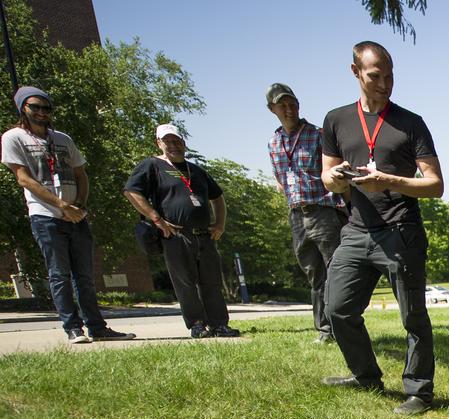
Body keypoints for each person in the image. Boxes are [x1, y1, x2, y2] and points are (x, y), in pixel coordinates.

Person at [320, 41, 444, 416]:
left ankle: (419, 393)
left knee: (413, 317)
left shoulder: (410, 123)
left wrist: (388, 180)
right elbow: (327, 176)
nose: (385, 83)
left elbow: (435, 185)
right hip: (356, 231)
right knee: (337, 308)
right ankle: (365, 376)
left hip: (400, 230)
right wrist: (338, 178)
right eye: (376, 75)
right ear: (355, 71)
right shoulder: (336, 120)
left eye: (390, 75)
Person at [1, 86, 134, 344]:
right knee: (59, 274)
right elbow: (24, 179)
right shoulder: (13, 137)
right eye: (34, 107)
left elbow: (81, 174)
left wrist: (80, 206)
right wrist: (62, 206)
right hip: (46, 216)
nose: (41, 112)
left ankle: (97, 328)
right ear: (22, 109)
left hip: (77, 216)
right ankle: (73, 328)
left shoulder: (63, 139)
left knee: (84, 275)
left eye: (45, 108)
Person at [123, 124, 239, 339]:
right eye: (168, 141)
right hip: (176, 236)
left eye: (177, 141)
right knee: (185, 283)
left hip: (204, 235)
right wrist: (156, 219)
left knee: (211, 282)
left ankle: (219, 325)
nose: (174, 145)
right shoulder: (152, 166)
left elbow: (217, 197)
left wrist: (220, 224)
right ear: (159, 143)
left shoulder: (196, 170)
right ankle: (197, 324)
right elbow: (131, 192)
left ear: (184, 143)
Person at [266, 82, 346, 344]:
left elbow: (336, 172)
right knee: (314, 274)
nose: (289, 109)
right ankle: (324, 329)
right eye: (282, 105)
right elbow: (281, 178)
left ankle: (341, 327)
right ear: (272, 109)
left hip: (323, 211)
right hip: (297, 215)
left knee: (334, 270)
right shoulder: (274, 142)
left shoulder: (318, 135)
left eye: (292, 103)